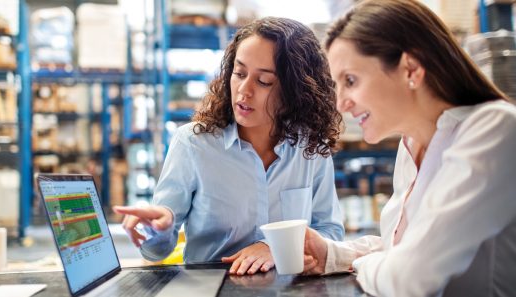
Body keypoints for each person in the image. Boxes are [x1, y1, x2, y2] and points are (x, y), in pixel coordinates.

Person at [302, 0, 516, 296]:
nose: (341, 103)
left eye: (350, 80)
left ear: (411, 69)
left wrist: (365, 265)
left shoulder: (493, 129)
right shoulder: (411, 144)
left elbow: (409, 276)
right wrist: (331, 253)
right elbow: (407, 247)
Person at [114, 17, 344, 276]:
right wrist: (159, 229)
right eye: (239, 73)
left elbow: (330, 232)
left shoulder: (311, 148)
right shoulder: (193, 144)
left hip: (291, 288)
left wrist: (273, 247)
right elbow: (155, 252)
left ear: (296, 91)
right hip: (212, 286)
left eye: (264, 81)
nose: (244, 90)